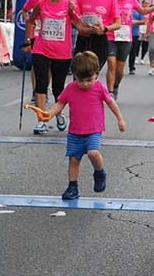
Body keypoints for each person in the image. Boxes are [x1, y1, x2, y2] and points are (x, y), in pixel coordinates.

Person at [36, 51, 126, 200]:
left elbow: (111, 103)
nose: (84, 84)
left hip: (93, 131)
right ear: (75, 76)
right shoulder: (71, 88)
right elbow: (60, 103)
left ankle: (99, 172)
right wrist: (49, 114)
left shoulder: (99, 88)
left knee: (93, 153)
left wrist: (120, 119)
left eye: (89, 80)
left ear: (96, 74)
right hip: (75, 132)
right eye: (80, 80)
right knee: (73, 159)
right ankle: (72, 187)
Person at [26, 0, 94, 134]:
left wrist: (94, 29)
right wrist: (29, 40)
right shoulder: (41, 3)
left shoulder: (70, 4)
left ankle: (58, 114)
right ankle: (42, 120)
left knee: (58, 88)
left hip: (62, 52)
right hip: (41, 49)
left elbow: (79, 25)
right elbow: (30, 21)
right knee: (41, 84)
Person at [106, 0, 154, 100]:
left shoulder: (131, 0)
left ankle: (116, 85)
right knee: (111, 64)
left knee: (119, 70)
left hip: (125, 38)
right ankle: (109, 92)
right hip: (111, 36)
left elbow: (143, 10)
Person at [74, 0, 119, 69]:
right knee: (79, 74)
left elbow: (118, 24)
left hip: (100, 40)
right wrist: (84, 28)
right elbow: (77, 21)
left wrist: (105, 29)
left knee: (92, 75)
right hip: (83, 39)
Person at [129, 0, 144, 75]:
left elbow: (143, 21)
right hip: (122, 33)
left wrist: (134, 22)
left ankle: (131, 67)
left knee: (132, 51)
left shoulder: (138, 10)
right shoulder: (125, 7)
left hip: (134, 34)